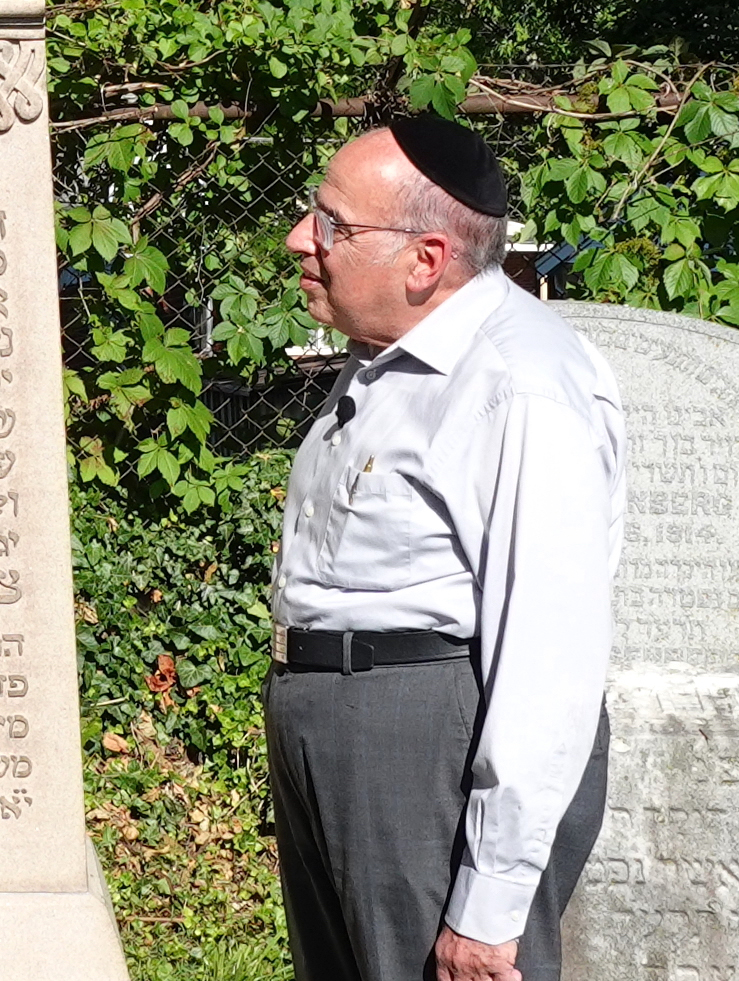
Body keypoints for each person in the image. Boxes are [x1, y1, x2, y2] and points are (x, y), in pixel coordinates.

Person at [266, 117, 624, 981]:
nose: (298, 241)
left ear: (426, 260)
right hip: (346, 728)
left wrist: (491, 900)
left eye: (332, 224)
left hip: (425, 742)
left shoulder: (517, 386)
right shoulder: (386, 357)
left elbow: (548, 659)